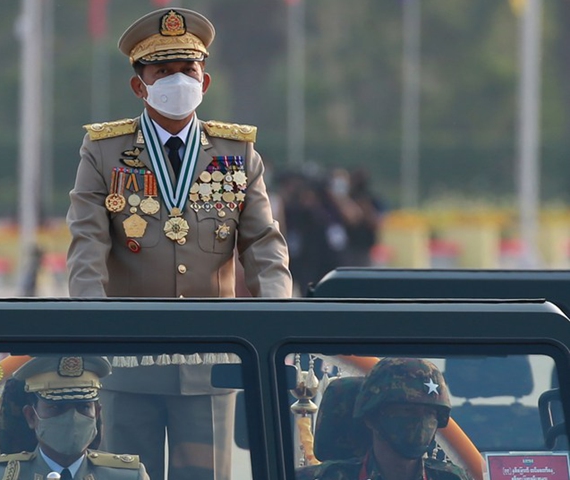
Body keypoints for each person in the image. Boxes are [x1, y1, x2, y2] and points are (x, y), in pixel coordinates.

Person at [65, 7, 292, 480]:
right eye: (162, 71)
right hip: (128, 361)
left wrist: (277, 321)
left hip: (210, 364)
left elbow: (264, 246)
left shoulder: (237, 153)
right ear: (139, 86)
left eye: (187, 70)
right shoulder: (104, 151)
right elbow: (87, 244)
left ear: (204, 82)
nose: (177, 81)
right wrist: (92, 321)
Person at [0, 356, 149, 480]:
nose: (72, 418)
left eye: (83, 407)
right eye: (56, 407)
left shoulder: (129, 476)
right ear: (31, 416)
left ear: (96, 413)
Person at [297, 358, 472, 480]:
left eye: (429, 413)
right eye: (407, 410)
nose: (421, 421)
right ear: (371, 418)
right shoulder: (322, 478)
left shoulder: (451, 478)